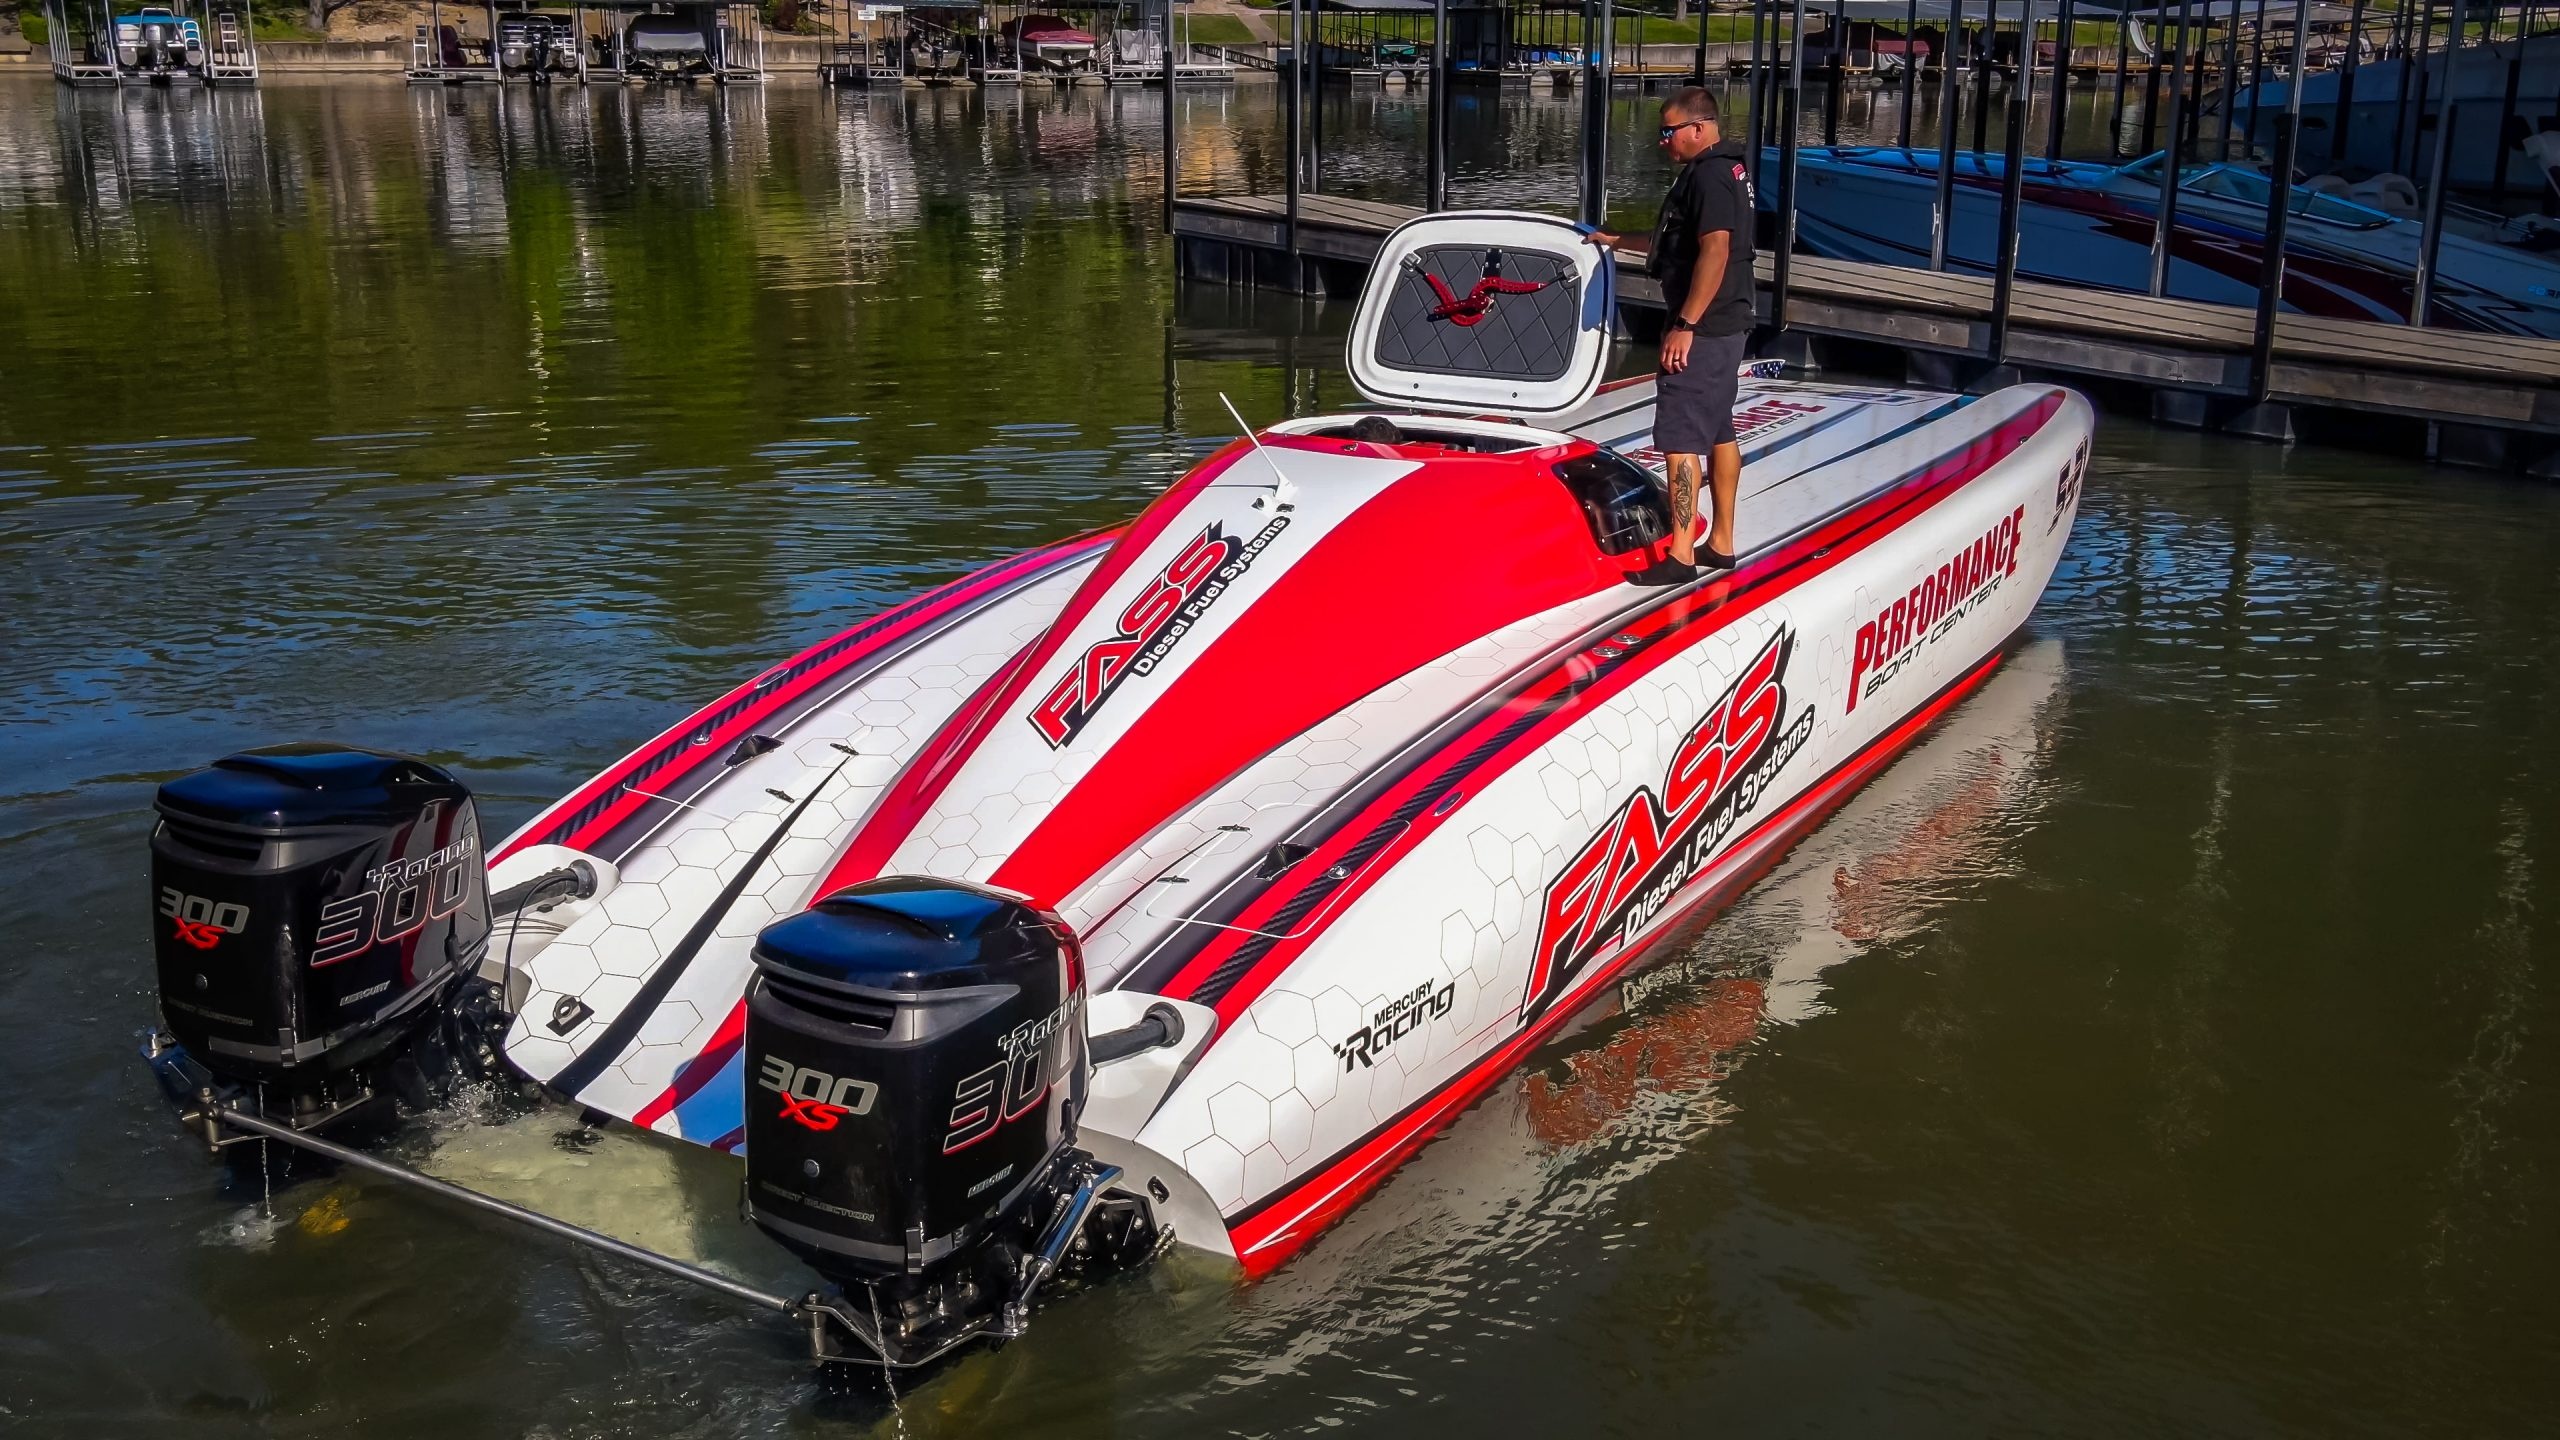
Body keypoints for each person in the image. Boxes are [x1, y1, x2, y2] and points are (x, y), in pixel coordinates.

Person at [1586, 87, 1755, 586]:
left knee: (1681, 437)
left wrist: (1685, 325)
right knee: (1719, 428)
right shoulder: (1725, 171)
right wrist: (1616, 240)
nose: (1663, 141)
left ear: (1698, 128)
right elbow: (1676, 243)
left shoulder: (1709, 176)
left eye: (1669, 131)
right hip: (1725, 321)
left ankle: (1680, 554)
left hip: (1705, 325)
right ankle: (1720, 542)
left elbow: (1716, 251)